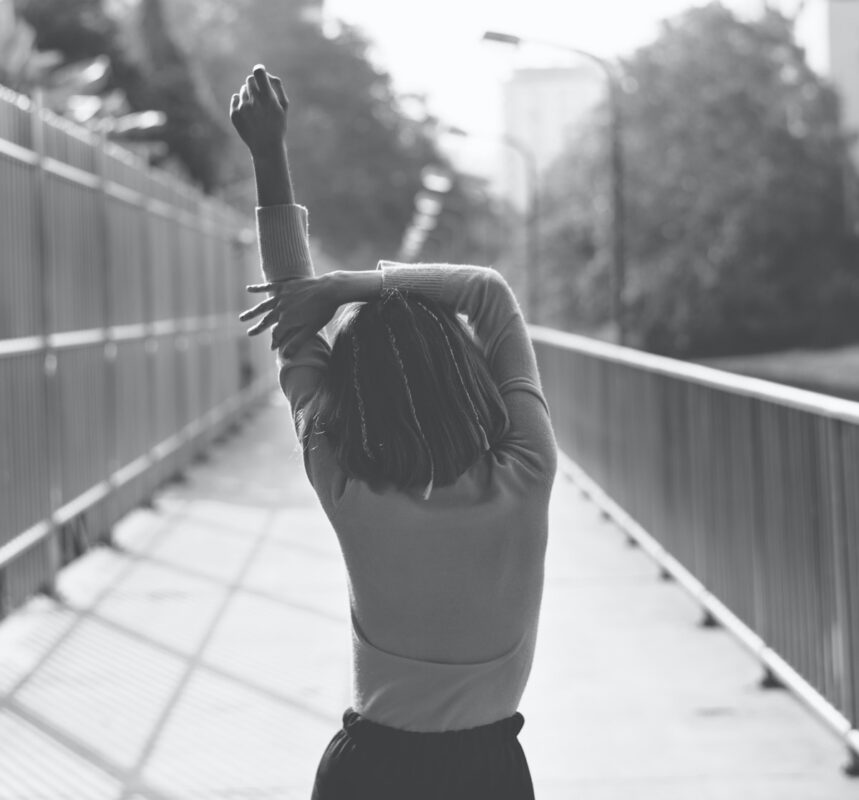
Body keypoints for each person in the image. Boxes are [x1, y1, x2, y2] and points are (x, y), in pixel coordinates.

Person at [230, 65, 557, 800]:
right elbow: (488, 293)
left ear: (353, 390)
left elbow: (292, 331)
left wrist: (267, 155)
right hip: (491, 777)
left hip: (367, 774)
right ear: (466, 370)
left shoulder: (347, 481)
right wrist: (353, 285)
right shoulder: (526, 472)